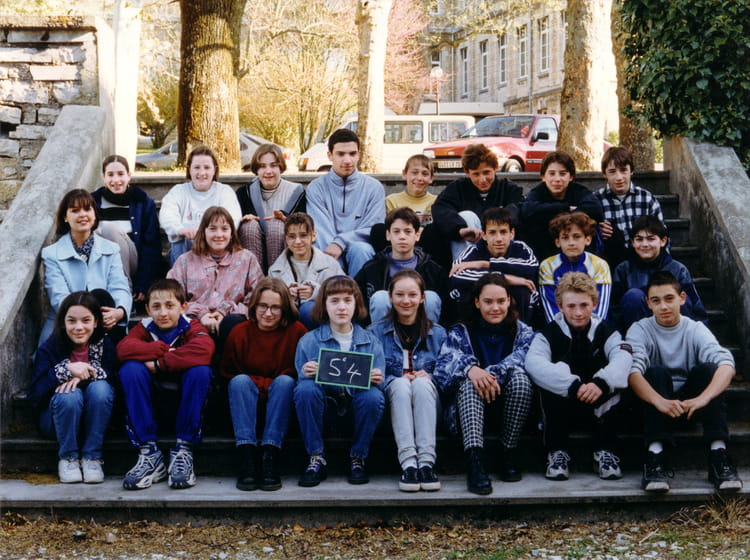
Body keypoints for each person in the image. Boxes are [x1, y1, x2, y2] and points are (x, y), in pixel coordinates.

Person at [626, 271, 742, 492]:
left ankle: (719, 455)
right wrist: (659, 401)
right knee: (655, 372)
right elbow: (633, 373)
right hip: (654, 407)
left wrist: (702, 398)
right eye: (656, 301)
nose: (663, 306)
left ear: (682, 298)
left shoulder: (695, 328)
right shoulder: (640, 329)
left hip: (690, 407)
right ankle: (655, 457)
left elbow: (727, 364)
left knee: (710, 370)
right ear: (648, 303)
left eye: (669, 298)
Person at [525, 272, 633, 481]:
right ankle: (557, 452)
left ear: (594, 304)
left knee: (617, 380)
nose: (578, 312)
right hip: (562, 405)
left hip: (598, 402)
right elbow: (533, 363)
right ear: (560, 306)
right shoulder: (548, 333)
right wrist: (572, 386)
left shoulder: (607, 331)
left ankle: (605, 451)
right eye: (571, 306)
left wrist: (601, 383)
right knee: (549, 379)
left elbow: (624, 357)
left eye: (584, 305)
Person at [433, 273, 534, 495]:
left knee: (521, 380)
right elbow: (441, 370)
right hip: (466, 413)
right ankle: (475, 462)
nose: (495, 307)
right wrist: (470, 369)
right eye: (488, 301)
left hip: (508, 410)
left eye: (501, 301)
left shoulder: (523, 332)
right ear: (477, 302)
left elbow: (527, 359)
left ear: (509, 300)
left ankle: (507, 453)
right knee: (470, 384)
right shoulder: (460, 332)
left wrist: (488, 374)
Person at [117, 279, 215, 490]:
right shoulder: (144, 327)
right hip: (152, 405)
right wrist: (160, 349)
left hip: (185, 407)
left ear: (183, 306)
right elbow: (124, 349)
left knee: (200, 371)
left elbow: (204, 349)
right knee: (130, 369)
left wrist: (159, 364)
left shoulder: (191, 325)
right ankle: (149, 453)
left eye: (170, 306)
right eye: (156, 306)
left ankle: (184, 450)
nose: (163, 313)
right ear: (147, 309)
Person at [294, 276, 386, 487]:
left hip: (357, 411)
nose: (341, 307)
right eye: (334, 301)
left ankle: (358, 457)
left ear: (356, 304)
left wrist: (377, 378)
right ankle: (316, 457)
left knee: (374, 396)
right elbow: (300, 382)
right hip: (324, 410)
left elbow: (381, 385)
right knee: (305, 389)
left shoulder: (371, 341)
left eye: (347, 300)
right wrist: (306, 372)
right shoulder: (309, 341)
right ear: (324, 305)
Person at [220, 278, 307, 491]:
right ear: (254, 306)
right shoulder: (240, 332)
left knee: (285, 382)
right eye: (263, 306)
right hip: (247, 401)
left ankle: (270, 455)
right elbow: (229, 373)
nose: (268, 313)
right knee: (240, 382)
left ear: (285, 309)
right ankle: (247, 455)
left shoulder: (297, 332)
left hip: (281, 400)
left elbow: (297, 372)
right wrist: (263, 384)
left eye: (276, 307)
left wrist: (266, 384)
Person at [368, 270, 447, 492]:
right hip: (394, 406)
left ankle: (427, 464)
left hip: (428, 406)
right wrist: (392, 379)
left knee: (421, 384)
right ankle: (409, 464)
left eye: (412, 295)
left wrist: (431, 376)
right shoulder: (374, 333)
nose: (406, 301)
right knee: (401, 384)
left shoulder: (439, 334)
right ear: (390, 297)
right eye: (400, 294)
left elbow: (448, 374)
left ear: (422, 298)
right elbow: (370, 374)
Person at [29, 291, 116, 484]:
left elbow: (115, 378)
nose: (79, 327)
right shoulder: (50, 348)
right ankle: (68, 458)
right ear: (63, 322)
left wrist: (85, 373)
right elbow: (35, 394)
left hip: (96, 421)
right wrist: (65, 370)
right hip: (58, 421)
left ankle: (92, 458)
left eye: (86, 320)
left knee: (101, 389)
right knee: (70, 395)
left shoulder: (105, 345)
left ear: (95, 322)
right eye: (71, 321)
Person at [167, 206, 264, 357]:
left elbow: (257, 298)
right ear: (203, 232)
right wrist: (202, 314)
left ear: (232, 233)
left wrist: (224, 311)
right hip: (195, 322)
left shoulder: (247, 259)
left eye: (224, 229)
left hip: (233, 322)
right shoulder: (185, 261)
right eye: (212, 229)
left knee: (232, 323)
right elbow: (172, 299)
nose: (219, 235)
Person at [40, 189, 131, 345]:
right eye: (75, 210)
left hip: (104, 322)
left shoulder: (111, 248)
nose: (82, 214)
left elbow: (119, 286)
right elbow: (58, 296)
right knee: (45, 355)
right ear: (65, 217)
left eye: (87, 209)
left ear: (94, 214)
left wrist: (119, 311)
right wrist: (85, 319)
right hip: (68, 323)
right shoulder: (52, 254)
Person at [427, 143, 523, 267]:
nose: (482, 180)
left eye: (486, 172)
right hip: (468, 244)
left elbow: (517, 210)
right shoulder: (457, 188)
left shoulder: (509, 189)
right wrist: (459, 229)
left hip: (498, 243)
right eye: (476, 174)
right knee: (466, 216)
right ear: (467, 173)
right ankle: (464, 268)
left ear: (495, 168)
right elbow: (440, 209)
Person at [305, 129, 385, 277]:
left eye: (352, 154)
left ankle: (359, 291)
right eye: (341, 154)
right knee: (320, 248)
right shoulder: (316, 188)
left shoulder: (374, 188)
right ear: (330, 155)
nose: (347, 160)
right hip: (328, 251)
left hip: (360, 251)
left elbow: (373, 228)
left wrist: (341, 242)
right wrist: (335, 254)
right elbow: (321, 229)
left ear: (359, 154)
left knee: (361, 249)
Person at [355, 207, 449, 325]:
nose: (402, 236)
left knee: (431, 298)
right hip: (383, 329)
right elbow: (359, 304)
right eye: (396, 231)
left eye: (408, 231)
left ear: (417, 235)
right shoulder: (372, 268)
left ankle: (428, 337)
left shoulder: (432, 270)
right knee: (380, 298)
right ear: (388, 235)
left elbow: (447, 308)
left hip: (422, 328)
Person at [612, 215, 706, 331]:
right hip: (638, 333)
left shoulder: (678, 270)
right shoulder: (623, 270)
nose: (645, 244)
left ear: (663, 241)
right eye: (639, 239)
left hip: (673, 332)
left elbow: (696, 309)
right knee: (633, 296)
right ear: (632, 242)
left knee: (680, 299)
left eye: (651, 239)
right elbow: (614, 311)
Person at [449, 207, 538, 324]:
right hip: (478, 309)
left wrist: (486, 264)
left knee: (523, 289)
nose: (499, 239)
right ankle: (467, 330)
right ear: (484, 235)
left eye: (503, 232)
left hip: (513, 306)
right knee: (465, 290)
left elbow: (531, 267)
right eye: (492, 232)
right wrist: (506, 278)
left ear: (512, 233)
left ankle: (521, 330)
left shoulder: (521, 248)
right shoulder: (473, 251)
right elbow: (456, 276)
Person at [92, 155, 162, 301]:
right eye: (110, 175)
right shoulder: (93, 201)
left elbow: (151, 245)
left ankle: (125, 292)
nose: (116, 180)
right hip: (100, 260)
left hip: (131, 261)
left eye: (120, 174)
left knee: (110, 229)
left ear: (129, 175)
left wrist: (143, 283)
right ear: (103, 177)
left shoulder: (142, 202)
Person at [159, 145, 242, 265]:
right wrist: (182, 230)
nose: (202, 173)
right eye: (197, 167)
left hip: (216, 248)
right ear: (189, 169)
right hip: (185, 249)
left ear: (214, 170)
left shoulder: (224, 192)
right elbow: (167, 217)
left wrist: (207, 233)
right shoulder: (178, 191)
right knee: (179, 236)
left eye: (207, 167)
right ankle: (181, 275)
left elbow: (233, 220)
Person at [519, 150, 603, 261]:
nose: (557, 179)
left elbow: (595, 209)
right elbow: (528, 211)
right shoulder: (538, 192)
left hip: (576, 245)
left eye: (562, 174)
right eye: (552, 173)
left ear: (571, 176)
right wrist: (565, 208)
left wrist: (555, 215)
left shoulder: (578, 191)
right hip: (545, 247)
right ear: (543, 176)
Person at [267, 212, 344, 329]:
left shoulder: (330, 264)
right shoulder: (275, 270)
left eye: (303, 235)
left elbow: (344, 293)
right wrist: (285, 295)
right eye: (292, 237)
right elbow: (269, 298)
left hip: (319, 320)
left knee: (308, 310)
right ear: (286, 238)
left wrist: (316, 293)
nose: (298, 241)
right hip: (287, 322)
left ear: (313, 236)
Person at [235, 144, 306, 271]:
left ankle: (277, 278)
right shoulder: (244, 193)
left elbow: (305, 225)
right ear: (257, 169)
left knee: (276, 225)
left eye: (273, 165)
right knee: (249, 226)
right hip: (254, 244)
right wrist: (244, 219)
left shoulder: (296, 191)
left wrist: (286, 219)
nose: (268, 171)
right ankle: (254, 278)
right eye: (262, 166)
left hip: (284, 249)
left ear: (281, 167)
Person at [595, 146, 664, 267]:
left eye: (623, 170)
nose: (619, 177)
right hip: (610, 261)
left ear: (631, 171)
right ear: (604, 174)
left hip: (644, 259)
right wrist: (597, 230)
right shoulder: (596, 201)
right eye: (612, 172)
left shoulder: (646, 199)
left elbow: (662, 234)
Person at [539, 212, 611, 323]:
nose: (571, 243)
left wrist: (592, 330)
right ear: (558, 242)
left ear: (587, 239)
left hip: (594, 327)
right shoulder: (547, 266)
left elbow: (601, 306)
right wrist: (563, 330)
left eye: (577, 237)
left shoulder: (599, 265)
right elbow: (551, 309)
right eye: (565, 238)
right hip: (560, 329)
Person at [370, 154, 437, 252]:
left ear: (431, 178)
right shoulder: (392, 200)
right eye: (414, 173)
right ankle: (387, 260)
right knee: (378, 229)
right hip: (397, 243)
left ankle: (427, 262)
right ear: (404, 174)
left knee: (435, 229)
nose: (419, 178)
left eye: (425, 174)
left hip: (425, 245)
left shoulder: (436, 201)